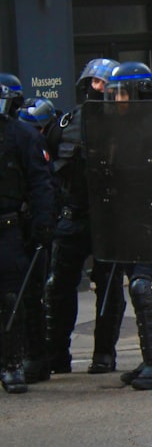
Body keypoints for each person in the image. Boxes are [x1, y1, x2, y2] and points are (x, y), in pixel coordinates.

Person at [43, 59, 127, 376]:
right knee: (59, 287)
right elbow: (49, 174)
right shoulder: (65, 124)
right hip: (72, 215)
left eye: (104, 83)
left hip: (109, 216)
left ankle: (104, 352)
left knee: (108, 288)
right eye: (94, 82)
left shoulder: (128, 125)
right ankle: (57, 354)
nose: (98, 88)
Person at [104, 62, 152, 390]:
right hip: (127, 220)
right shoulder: (113, 128)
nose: (118, 100)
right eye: (114, 93)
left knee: (144, 286)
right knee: (138, 288)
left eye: (123, 92)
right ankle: (151, 357)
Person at [0, 81, 56, 393]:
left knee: (13, 298)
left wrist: (42, 225)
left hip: (9, 228)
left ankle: (12, 364)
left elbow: (40, 182)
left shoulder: (22, 136)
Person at [16, 97, 59, 384]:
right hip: (17, 225)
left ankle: (37, 356)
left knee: (32, 294)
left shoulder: (34, 143)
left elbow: (45, 188)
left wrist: (43, 225)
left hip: (31, 226)